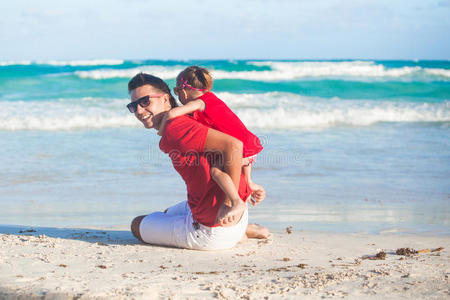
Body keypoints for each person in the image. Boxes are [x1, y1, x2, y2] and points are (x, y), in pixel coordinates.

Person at [127, 73, 269, 250]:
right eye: (133, 106)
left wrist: (228, 202)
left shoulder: (175, 128)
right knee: (165, 214)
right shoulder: (192, 116)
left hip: (211, 230)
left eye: (145, 101)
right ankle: (242, 231)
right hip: (235, 218)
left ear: (165, 98)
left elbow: (234, 146)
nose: (139, 110)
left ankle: (237, 232)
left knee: (137, 224)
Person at [158, 66, 265, 226]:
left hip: (238, 149)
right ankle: (249, 183)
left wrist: (162, 130)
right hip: (249, 145)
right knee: (236, 166)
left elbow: (172, 114)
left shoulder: (199, 103)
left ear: (184, 90)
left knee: (216, 171)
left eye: (176, 91)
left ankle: (236, 201)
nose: (178, 96)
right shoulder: (213, 98)